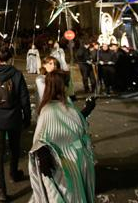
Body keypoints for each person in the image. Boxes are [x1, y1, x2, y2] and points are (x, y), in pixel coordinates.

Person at [28, 71, 97, 203]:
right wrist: (44, 157)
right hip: (65, 166)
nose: (70, 86)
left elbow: (73, 122)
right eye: (68, 83)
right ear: (62, 86)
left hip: (77, 161)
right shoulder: (49, 111)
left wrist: (88, 108)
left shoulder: (65, 103)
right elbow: (40, 139)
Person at [0, 46, 31, 201]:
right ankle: (13, 173)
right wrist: (27, 117)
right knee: (15, 146)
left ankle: (1, 189)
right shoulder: (17, 74)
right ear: (10, 59)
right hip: (14, 117)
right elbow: (24, 98)